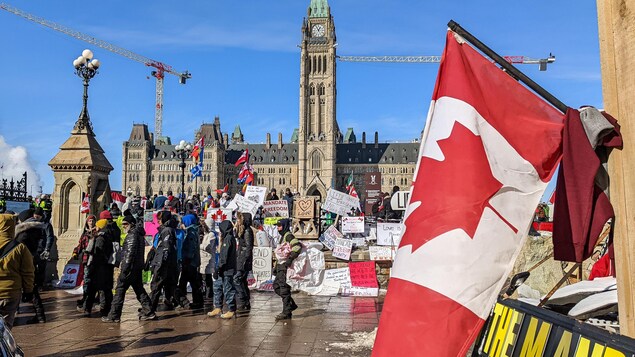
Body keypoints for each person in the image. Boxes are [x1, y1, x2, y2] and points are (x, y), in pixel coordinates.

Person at [103, 215, 155, 322]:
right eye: (122, 224)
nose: (123, 227)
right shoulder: (138, 235)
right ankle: (149, 311)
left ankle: (114, 315)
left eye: (126, 224)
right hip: (136, 268)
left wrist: (124, 270)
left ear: (131, 224)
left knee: (120, 290)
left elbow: (129, 255)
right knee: (139, 290)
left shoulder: (132, 235)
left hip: (130, 269)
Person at [0, 213, 34, 329]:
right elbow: (28, 272)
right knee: (5, 328)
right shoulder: (20, 248)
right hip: (10, 293)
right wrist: (28, 291)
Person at [14, 210, 47, 323]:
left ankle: (39, 315)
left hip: (25, 262)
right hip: (33, 260)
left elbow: (18, 248)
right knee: (32, 288)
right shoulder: (36, 229)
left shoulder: (24, 232)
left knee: (27, 288)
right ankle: (40, 315)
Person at [83, 219, 114, 317]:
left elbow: (98, 253)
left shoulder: (100, 238)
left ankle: (89, 308)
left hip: (99, 267)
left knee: (93, 289)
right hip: (106, 267)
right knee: (105, 289)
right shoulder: (108, 236)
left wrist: (93, 265)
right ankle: (106, 308)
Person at [149, 211, 179, 313]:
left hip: (163, 263)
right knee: (170, 286)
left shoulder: (167, 231)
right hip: (163, 262)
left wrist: (161, 263)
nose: (158, 221)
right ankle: (185, 303)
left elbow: (166, 248)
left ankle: (149, 309)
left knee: (156, 286)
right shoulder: (165, 230)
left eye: (160, 219)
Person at [207, 220, 237, 319]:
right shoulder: (227, 238)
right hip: (223, 269)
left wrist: (218, 268)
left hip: (227, 269)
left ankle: (231, 309)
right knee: (217, 287)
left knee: (228, 289)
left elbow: (224, 257)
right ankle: (218, 307)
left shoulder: (228, 239)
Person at [273, 219, 300, 320]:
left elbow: (297, 246)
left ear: (284, 226)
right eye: (277, 225)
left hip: (284, 267)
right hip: (280, 266)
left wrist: (289, 260)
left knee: (284, 289)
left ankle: (286, 312)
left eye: (280, 225)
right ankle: (290, 305)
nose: (278, 227)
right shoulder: (283, 236)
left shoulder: (288, 235)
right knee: (276, 286)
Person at [176, 214, 203, 309]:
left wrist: (187, 259)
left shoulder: (190, 232)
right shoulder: (193, 230)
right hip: (192, 261)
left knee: (185, 282)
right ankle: (196, 301)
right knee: (192, 282)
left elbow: (191, 247)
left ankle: (184, 301)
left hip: (190, 262)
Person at [73, 215, 97, 312]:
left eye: (92, 220)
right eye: (89, 220)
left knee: (92, 280)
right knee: (86, 280)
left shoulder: (97, 232)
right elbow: (80, 245)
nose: (91, 222)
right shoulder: (85, 233)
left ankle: (89, 300)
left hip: (94, 259)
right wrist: (75, 252)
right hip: (86, 259)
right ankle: (86, 298)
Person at [235, 212, 254, 315]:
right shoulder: (243, 230)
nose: (237, 221)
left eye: (239, 219)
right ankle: (245, 301)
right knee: (242, 280)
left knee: (237, 279)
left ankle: (242, 300)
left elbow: (248, 247)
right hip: (241, 258)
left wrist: (244, 260)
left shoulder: (247, 231)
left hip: (243, 259)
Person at [200, 219, 218, 300]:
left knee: (207, 277)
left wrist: (199, 245)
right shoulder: (206, 234)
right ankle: (206, 293)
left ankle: (209, 294)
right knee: (204, 277)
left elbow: (208, 246)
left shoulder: (211, 235)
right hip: (203, 258)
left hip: (208, 258)